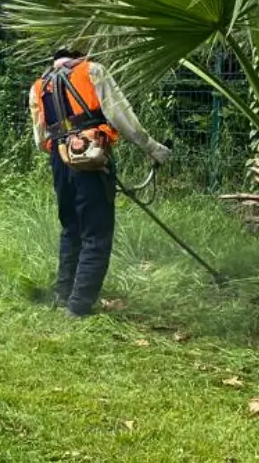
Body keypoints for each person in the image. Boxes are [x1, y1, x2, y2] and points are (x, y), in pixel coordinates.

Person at [31, 48, 171, 318]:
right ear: (78, 55)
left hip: (60, 160)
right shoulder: (92, 70)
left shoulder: (40, 85)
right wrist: (155, 149)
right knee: (96, 233)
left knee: (71, 227)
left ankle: (64, 294)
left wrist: (64, 144)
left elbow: (40, 139)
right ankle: (80, 305)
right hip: (92, 157)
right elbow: (122, 117)